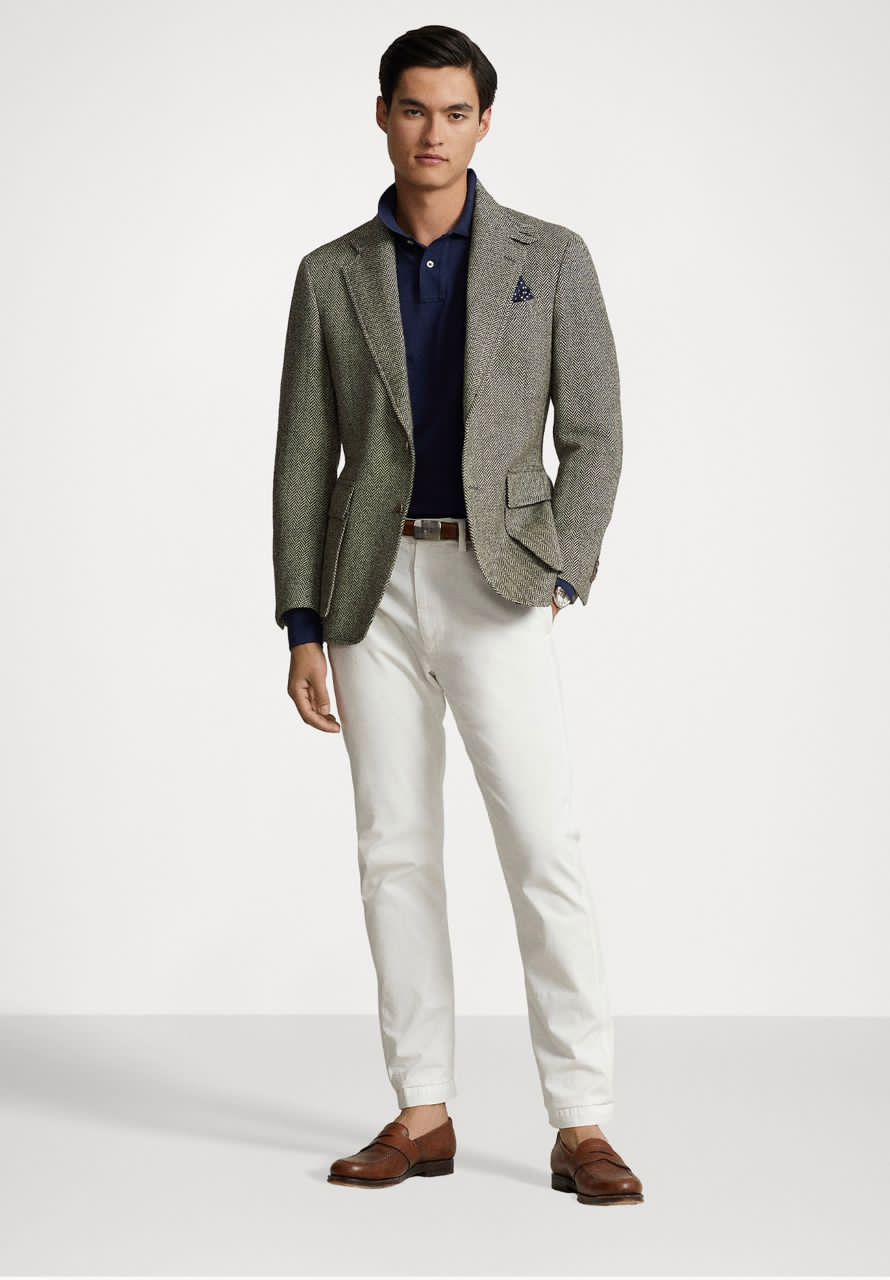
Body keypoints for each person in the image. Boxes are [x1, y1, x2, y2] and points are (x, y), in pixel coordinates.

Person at [272, 23, 643, 1206]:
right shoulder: (330, 273)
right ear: (381, 114)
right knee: (393, 847)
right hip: (368, 589)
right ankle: (421, 1107)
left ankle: (579, 1118)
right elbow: (303, 456)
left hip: (495, 582)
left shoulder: (551, 257)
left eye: (453, 112)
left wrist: (557, 567)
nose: (430, 132)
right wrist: (301, 621)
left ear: (484, 122)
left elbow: (595, 432)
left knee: (542, 845)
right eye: (411, 108)